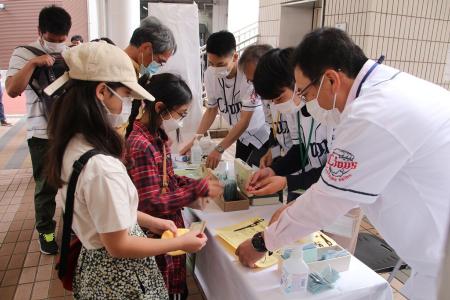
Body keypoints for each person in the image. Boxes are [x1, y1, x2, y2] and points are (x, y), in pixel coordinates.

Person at [236, 28, 450, 300]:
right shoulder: (388, 89)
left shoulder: (373, 113)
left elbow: (330, 197)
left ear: (331, 80)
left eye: (306, 93)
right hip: (432, 257)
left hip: (440, 261)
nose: (305, 103)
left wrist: (262, 242)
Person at [45, 42, 207, 299]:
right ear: (102, 92)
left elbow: (108, 212)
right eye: (125, 95)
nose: (128, 105)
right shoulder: (101, 167)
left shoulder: (71, 144)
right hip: (119, 277)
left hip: (96, 268)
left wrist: (154, 221)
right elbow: (119, 245)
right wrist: (179, 243)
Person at [126, 73, 223, 300]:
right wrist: (195, 190)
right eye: (181, 114)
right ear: (160, 107)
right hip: (154, 233)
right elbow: (151, 202)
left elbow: (169, 178)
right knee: (162, 287)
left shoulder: (156, 135)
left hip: (168, 227)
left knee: (175, 285)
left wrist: (198, 184)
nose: (180, 120)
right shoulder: (141, 145)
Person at [5, 5, 72, 255]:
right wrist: (34, 62)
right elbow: (12, 90)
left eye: (61, 40)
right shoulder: (23, 53)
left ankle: (72, 228)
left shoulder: (69, 52)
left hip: (69, 131)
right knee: (46, 187)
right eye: (52, 40)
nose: (57, 45)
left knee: (71, 183)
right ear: (40, 32)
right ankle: (45, 231)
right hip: (41, 134)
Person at [248, 48, 332, 202]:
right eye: (272, 101)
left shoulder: (330, 111)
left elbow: (334, 171)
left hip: (338, 196)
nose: (275, 104)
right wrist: (273, 170)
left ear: (296, 81)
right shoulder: (296, 108)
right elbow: (301, 150)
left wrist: (287, 181)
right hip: (314, 187)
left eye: (279, 98)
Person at [180, 31, 270, 169]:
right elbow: (211, 110)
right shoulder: (210, 75)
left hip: (261, 134)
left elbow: (244, 121)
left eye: (220, 64)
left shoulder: (247, 76)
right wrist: (195, 140)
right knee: (241, 174)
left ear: (235, 57)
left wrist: (220, 149)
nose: (215, 69)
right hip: (240, 136)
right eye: (211, 63)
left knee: (255, 174)